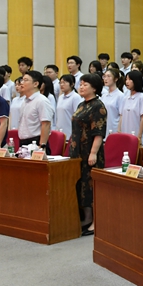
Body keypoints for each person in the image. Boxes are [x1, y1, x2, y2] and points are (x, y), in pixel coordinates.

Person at [70, 73, 107, 236]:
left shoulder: (98, 106)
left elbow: (98, 133)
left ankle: (96, 221)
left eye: (85, 84)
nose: (81, 87)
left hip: (91, 152)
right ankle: (86, 217)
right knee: (81, 185)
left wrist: (93, 153)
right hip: (77, 151)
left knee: (90, 186)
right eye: (81, 84)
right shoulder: (81, 104)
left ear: (95, 88)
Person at [17, 71, 53, 150]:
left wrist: (41, 146)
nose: (21, 83)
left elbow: (46, 124)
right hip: (23, 143)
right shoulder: (24, 101)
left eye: (25, 80)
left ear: (35, 84)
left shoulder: (42, 101)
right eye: (22, 80)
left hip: (36, 143)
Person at [119, 70, 143, 139]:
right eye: (126, 79)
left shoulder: (141, 97)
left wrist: (139, 136)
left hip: (135, 134)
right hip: (125, 133)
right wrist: (119, 130)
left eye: (130, 79)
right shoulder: (125, 98)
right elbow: (121, 116)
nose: (127, 82)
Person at [99, 68, 124, 138]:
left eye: (109, 76)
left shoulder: (120, 95)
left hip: (114, 129)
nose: (105, 79)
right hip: (104, 129)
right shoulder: (104, 95)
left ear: (116, 79)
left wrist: (119, 130)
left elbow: (122, 115)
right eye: (104, 76)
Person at [56, 75, 82, 139]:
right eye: (60, 83)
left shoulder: (75, 97)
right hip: (59, 132)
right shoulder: (60, 97)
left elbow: (77, 116)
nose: (62, 85)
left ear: (72, 84)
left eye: (64, 82)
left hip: (70, 133)